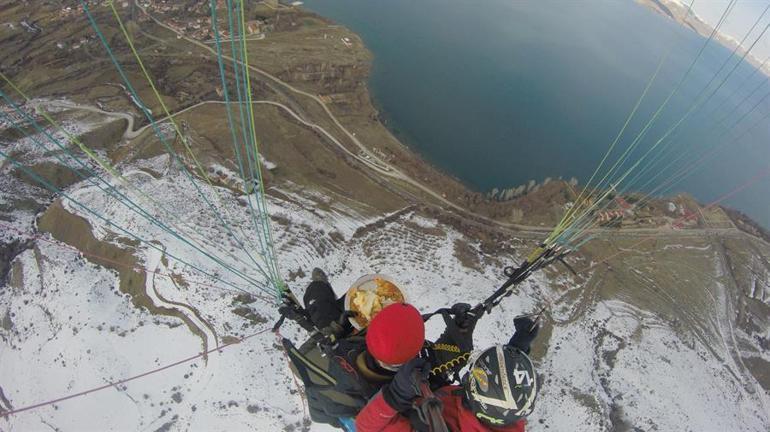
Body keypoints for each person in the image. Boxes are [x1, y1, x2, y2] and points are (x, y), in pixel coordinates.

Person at [281, 268, 426, 431]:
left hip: (341, 393)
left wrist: (334, 330)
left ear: (367, 336)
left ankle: (319, 285)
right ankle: (320, 289)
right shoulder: (415, 383)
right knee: (344, 303)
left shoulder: (336, 378)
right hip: (353, 383)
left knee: (320, 307)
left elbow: (301, 360)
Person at [355, 317, 540, 432]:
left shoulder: (437, 426)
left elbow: (365, 427)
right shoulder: (507, 415)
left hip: (399, 406)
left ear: (474, 398)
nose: (468, 377)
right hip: (435, 393)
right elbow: (507, 390)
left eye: (473, 377)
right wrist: (515, 352)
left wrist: (395, 395)